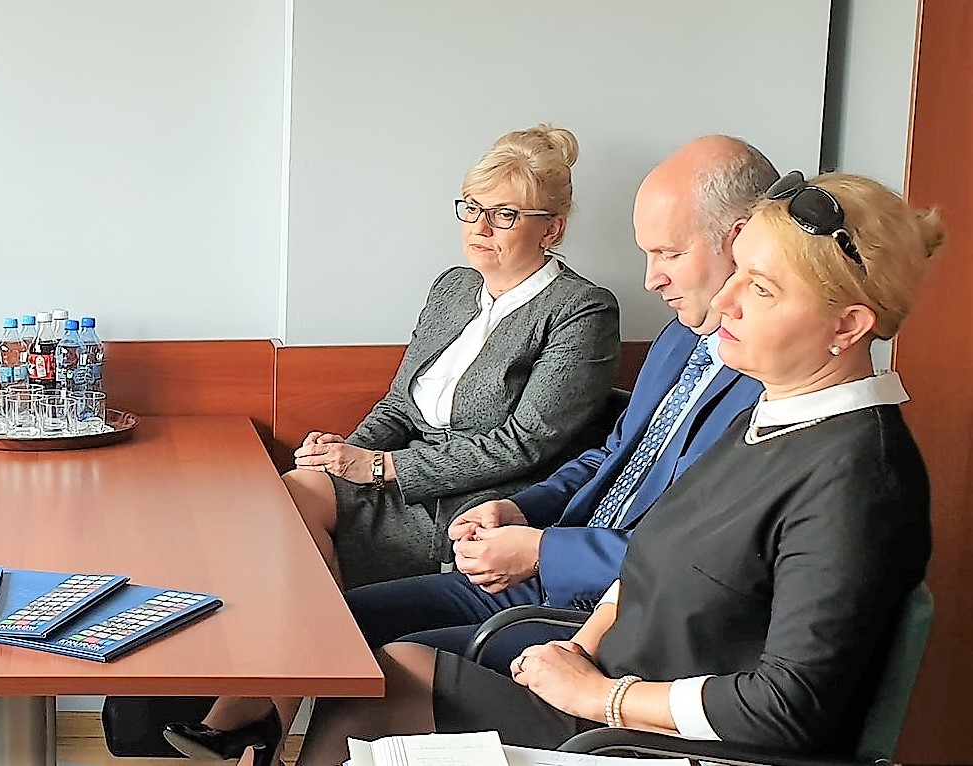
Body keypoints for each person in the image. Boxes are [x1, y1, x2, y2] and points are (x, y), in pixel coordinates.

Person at [292, 170, 940, 763]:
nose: (726, 300)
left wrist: (598, 695)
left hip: (658, 739)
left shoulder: (859, 477)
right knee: (390, 670)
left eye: (761, 288)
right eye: (737, 272)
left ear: (848, 326)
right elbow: (649, 557)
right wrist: (579, 646)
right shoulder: (771, 419)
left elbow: (785, 709)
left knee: (385, 686)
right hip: (611, 680)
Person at [165, 125, 621, 763]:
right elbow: (402, 403)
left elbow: (526, 445)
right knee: (294, 493)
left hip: (479, 505)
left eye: (504, 214)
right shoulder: (453, 288)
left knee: (302, 520)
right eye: (471, 207)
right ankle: (260, 713)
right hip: (404, 480)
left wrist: (379, 467)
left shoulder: (582, 310)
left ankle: (254, 714)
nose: (479, 227)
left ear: (553, 229)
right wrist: (342, 457)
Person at [340, 136, 777, 674]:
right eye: (472, 209)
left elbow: (696, 553)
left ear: (740, 242)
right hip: (546, 569)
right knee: (333, 621)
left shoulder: (771, 381)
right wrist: (523, 511)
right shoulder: (680, 337)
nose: (650, 279)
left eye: (668, 254)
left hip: (619, 614)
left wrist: (543, 550)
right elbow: (613, 456)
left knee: (390, 668)